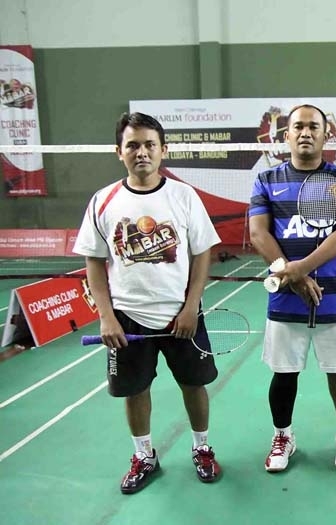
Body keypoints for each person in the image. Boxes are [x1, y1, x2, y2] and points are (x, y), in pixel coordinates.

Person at [73, 112, 222, 494]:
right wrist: (107, 317)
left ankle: (202, 448)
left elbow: (202, 252)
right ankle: (144, 455)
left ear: (163, 150)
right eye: (133, 145)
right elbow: (93, 262)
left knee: (194, 383)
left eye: (149, 145)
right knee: (134, 390)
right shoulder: (103, 200)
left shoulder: (183, 196)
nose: (142, 152)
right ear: (119, 152)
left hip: (180, 314)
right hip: (127, 317)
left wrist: (191, 306)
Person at [248, 104, 336, 472]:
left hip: (333, 296)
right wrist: (292, 275)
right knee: (284, 373)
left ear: (326, 135)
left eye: (314, 126)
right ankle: (283, 436)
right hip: (286, 297)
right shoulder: (267, 179)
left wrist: (299, 268)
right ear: (287, 135)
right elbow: (258, 233)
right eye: (298, 126)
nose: (306, 132)